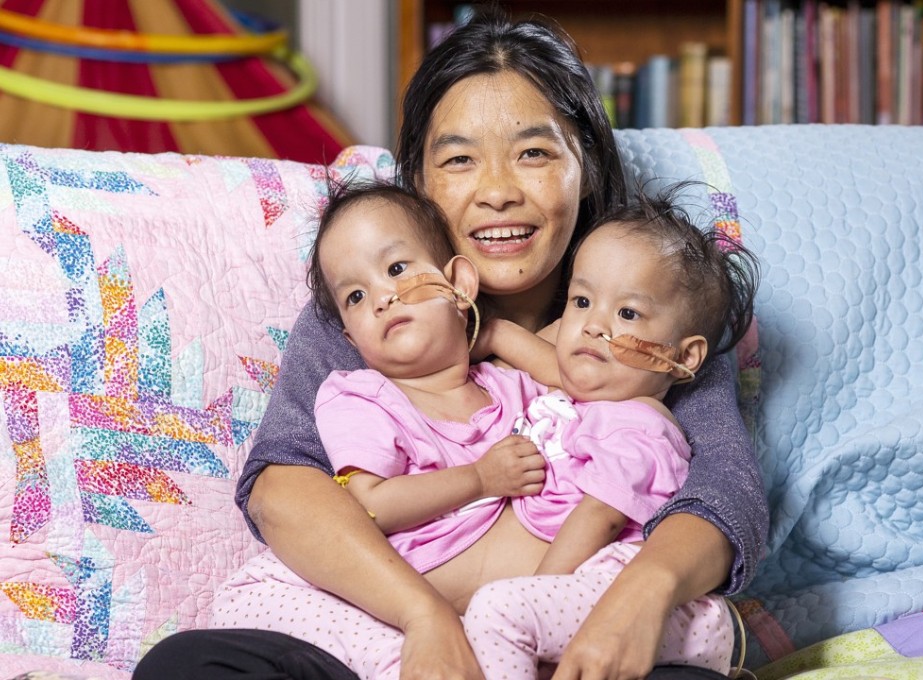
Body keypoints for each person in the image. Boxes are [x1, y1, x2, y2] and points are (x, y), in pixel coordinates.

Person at [133, 8, 767, 680]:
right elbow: (282, 489)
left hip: (568, 632)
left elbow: (725, 493)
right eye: (460, 159)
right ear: (421, 181)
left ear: (585, 166)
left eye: (534, 153)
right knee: (184, 666)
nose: (498, 193)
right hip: (392, 634)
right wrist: (425, 621)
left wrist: (638, 599)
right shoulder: (375, 314)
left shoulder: (652, 310)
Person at [459, 183, 759, 679]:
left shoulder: (639, 424)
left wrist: (537, 593)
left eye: (627, 313)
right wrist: (494, 334)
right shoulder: (591, 399)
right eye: (581, 301)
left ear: (684, 357)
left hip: (620, 591)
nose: (593, 325)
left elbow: (599, 516)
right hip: (584, 591)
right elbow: (548, 362)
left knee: (496, 611)